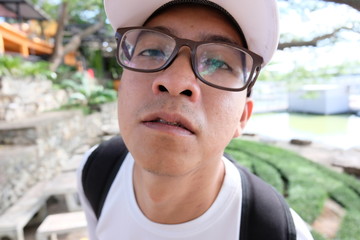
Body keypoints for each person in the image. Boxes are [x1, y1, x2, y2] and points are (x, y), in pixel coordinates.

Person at [77, 0, 314, 239]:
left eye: (219, 63)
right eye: (152, 51)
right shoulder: (95, 171)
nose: (176, 82)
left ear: (242, 116)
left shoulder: (282, 233)